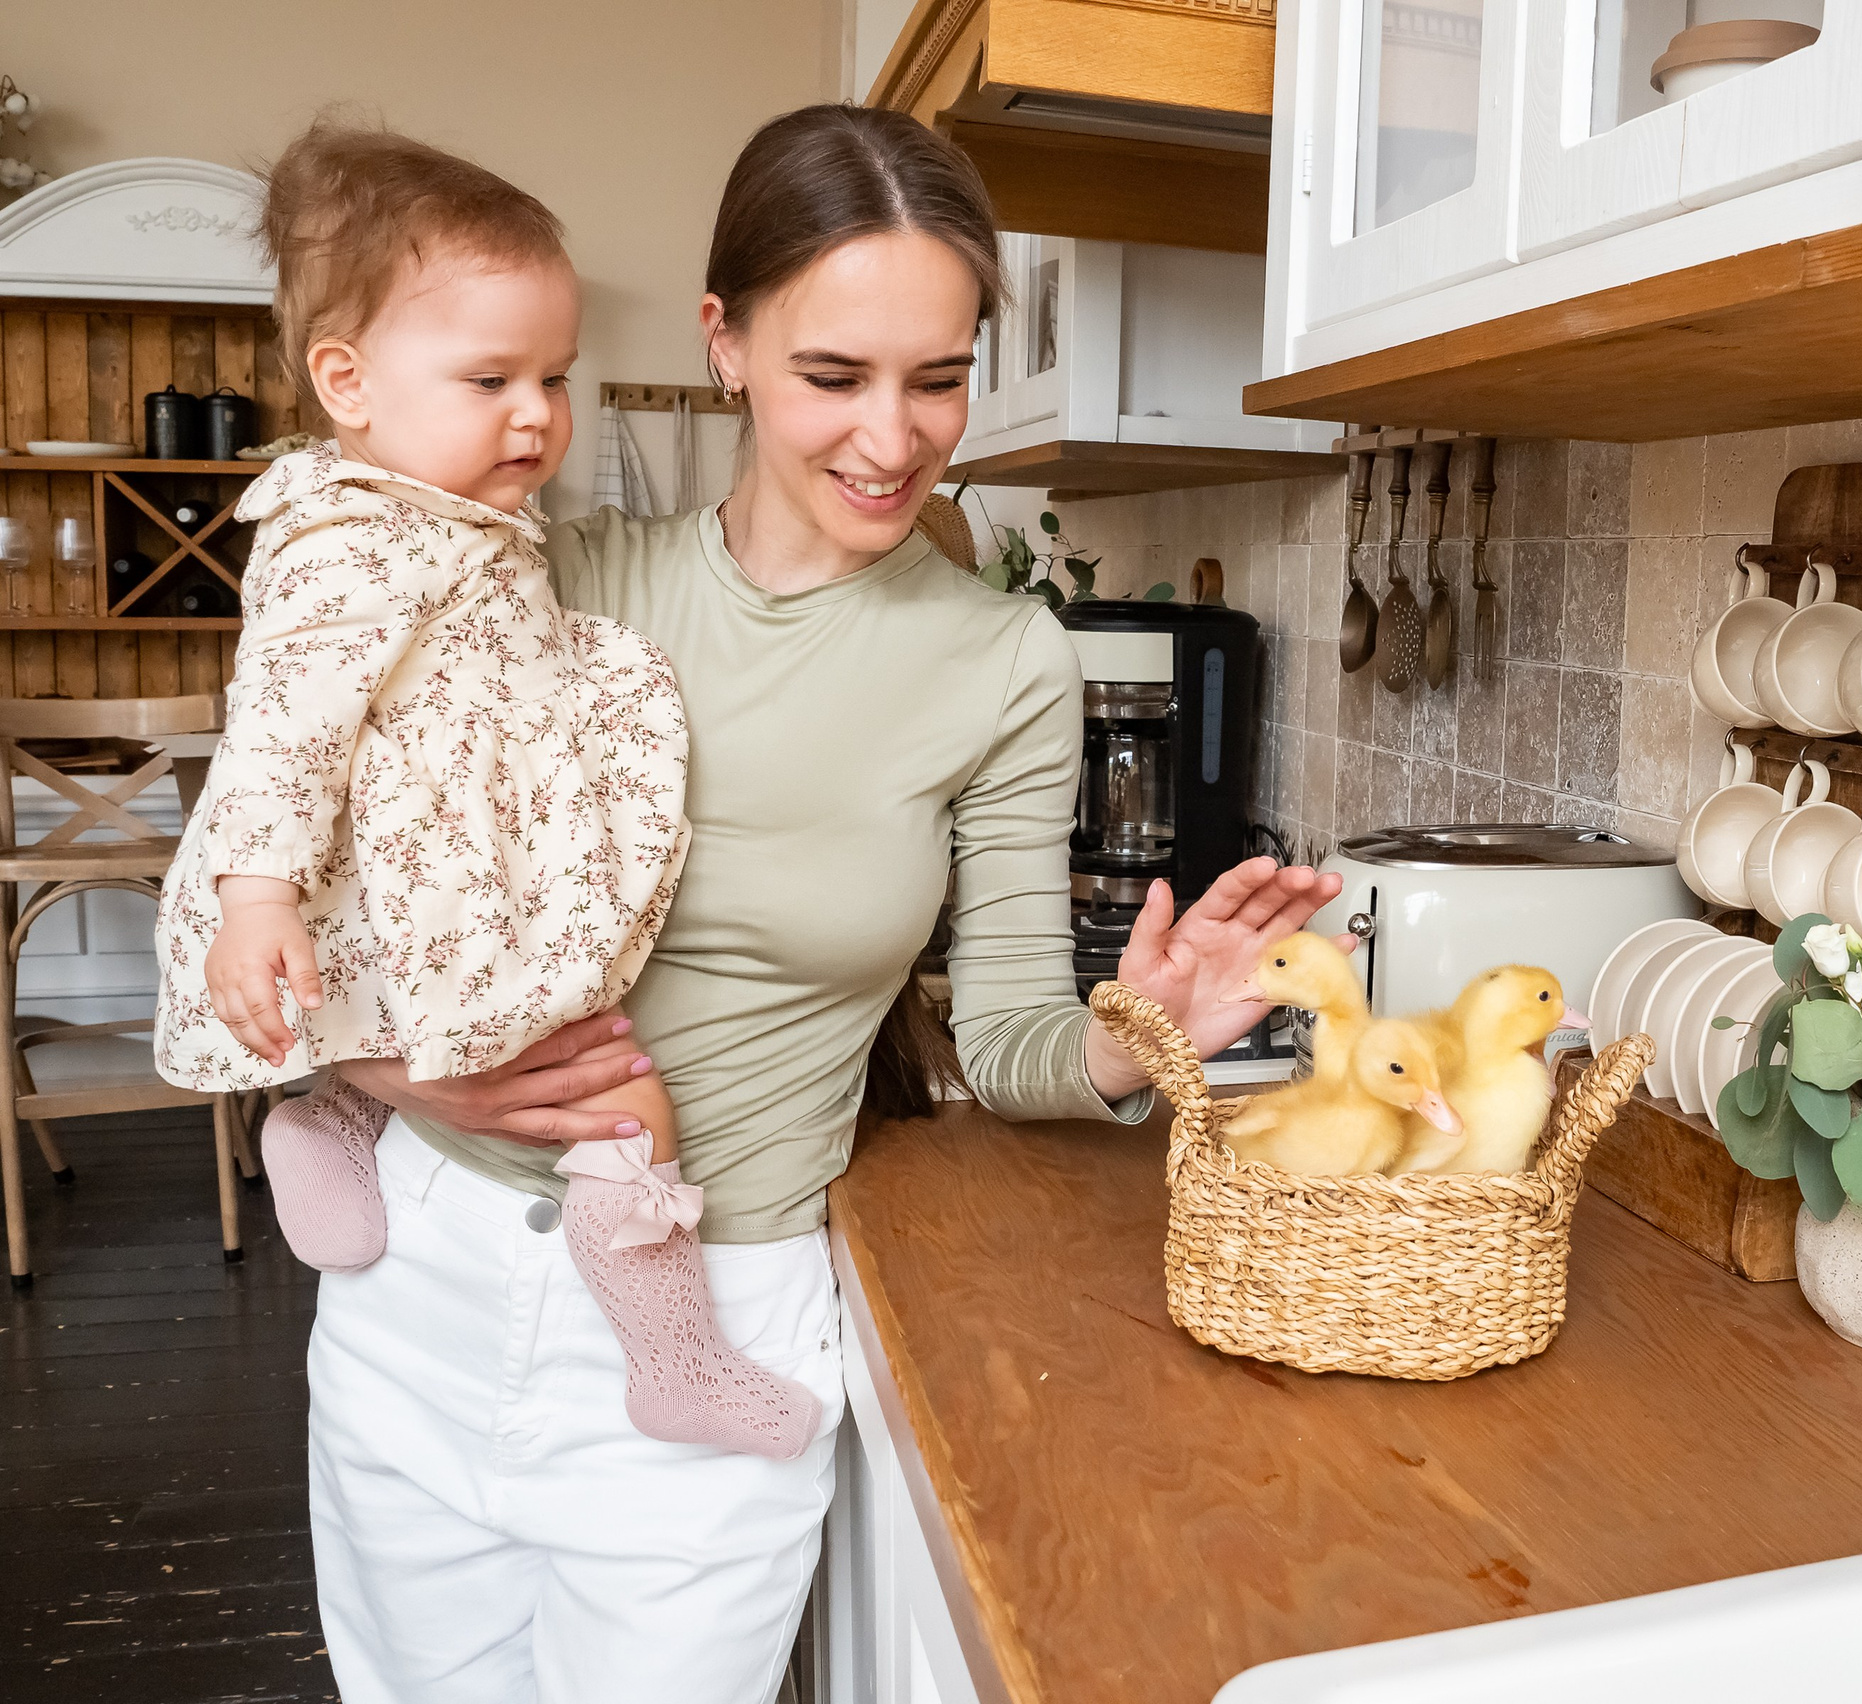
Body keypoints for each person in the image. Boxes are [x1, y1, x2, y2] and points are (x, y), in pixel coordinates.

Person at [285, 103, 1338, 1703]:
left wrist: (1141, 1034)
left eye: (939, 377)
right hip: (415, 1289)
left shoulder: (1000, 665)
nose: (895, 438)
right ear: (724, 342)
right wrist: (384, 1071)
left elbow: (1009, 1032)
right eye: (834, 376)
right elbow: (293, 851)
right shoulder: (542, 573)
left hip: (712, 1321)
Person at [154, 121, 819, 1461]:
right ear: (346, 380)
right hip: (393, 880)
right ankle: (674, 1356)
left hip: (430, 876)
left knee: (417, 1025)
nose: (537, 414)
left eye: (555, 376)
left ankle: (325, 1118)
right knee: (618, 1088)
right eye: (491, 377)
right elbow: (279, 725)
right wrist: (255, 893)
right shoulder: (348, 537)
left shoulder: (446, 510)